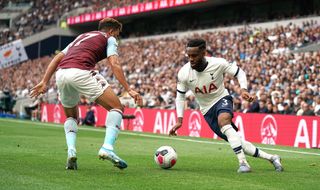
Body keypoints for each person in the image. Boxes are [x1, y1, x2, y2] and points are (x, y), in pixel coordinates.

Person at [30, 18, 142, 170]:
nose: (117, 37)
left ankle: (71, 151)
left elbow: (57, 58)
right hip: (81, 71)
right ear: (110, 31)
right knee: (117, 107)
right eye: (117, 33)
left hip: (61, 74)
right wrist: (128, 89)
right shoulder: (109, 38)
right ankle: (107, 148)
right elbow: (114, 63)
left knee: (71, 116)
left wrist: (44, 81)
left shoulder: (81, 37)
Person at [169, 38, 283, 173]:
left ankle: (243, 163)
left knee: (224, 122)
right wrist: (179, 120)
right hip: (206, 110)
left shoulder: (218, 63)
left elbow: (239, 72)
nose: (191, 59)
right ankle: (272, 158)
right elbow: (180, 96)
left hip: (222, 98)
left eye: (194, 55)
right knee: (235, 140)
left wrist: (244, 89)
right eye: (189, 56)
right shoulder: (183, 73)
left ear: (204, 53)